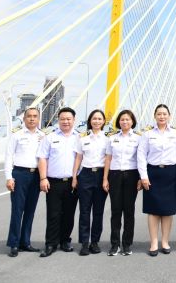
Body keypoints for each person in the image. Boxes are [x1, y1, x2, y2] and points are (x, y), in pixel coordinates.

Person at [137, 104, 176, 257]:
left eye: (164, 114)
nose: (162, 116)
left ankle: (165, 241)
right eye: (159, 114)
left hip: (171, 174)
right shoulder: (147, 135)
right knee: (153, 210)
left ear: (169, 116)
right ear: (154, 116)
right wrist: (143, 176)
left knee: (168, 210)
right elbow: (141, 156)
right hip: (153, 173)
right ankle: (154, 242)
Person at [37, 107, 80, 257]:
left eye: (69, 119)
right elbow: (42, 157)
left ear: (74, 120)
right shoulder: (50, 137)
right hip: (53, 182)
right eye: (62, 119)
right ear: (58, 120)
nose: (66, 122)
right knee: (53, 214)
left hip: (72, 182)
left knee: (69, 213)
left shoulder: (79, 137)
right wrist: (43, 178)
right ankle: (50, 244)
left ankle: (65, 241)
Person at [4, 107, 45, 257]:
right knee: (17, 210)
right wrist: (9, 177)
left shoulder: (43, 136)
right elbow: (9, 157)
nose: (32, 119)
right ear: (24, 118)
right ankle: (14, 244)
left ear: (39, 119)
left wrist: (44, 177)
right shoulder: (17, 135)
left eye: (35, 116)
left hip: (35, 176)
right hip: (20, 174)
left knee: (30, 211)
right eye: (29, 116)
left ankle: (25, 242)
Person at [103, 109, 142, 256]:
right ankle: (115, 244)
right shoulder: (112, 138)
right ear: (118, 122)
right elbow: (108, 158)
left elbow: (140, 159)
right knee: (115, 210)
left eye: (127, 119)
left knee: (129, 211)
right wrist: (105, 178)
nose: (124, 122)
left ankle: (127, 244)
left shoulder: (138, 138)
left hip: (131, 175)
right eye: (122, 119)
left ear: (132, 122)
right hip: (115, 175)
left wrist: (140, 178)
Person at [71, 109, 109, 255]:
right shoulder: (82, 138)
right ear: (90, 121)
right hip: (85, 175)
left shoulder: (108, 139)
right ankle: (84, 243)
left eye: (100, 119)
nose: (97, 121)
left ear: (104, 121)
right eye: (94, 119)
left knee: (98, 211)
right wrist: (74, 177)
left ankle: (95, 242)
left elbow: (108, 159)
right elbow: (78, 158)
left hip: (101, 175)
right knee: (84, 211)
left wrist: (106, 178)